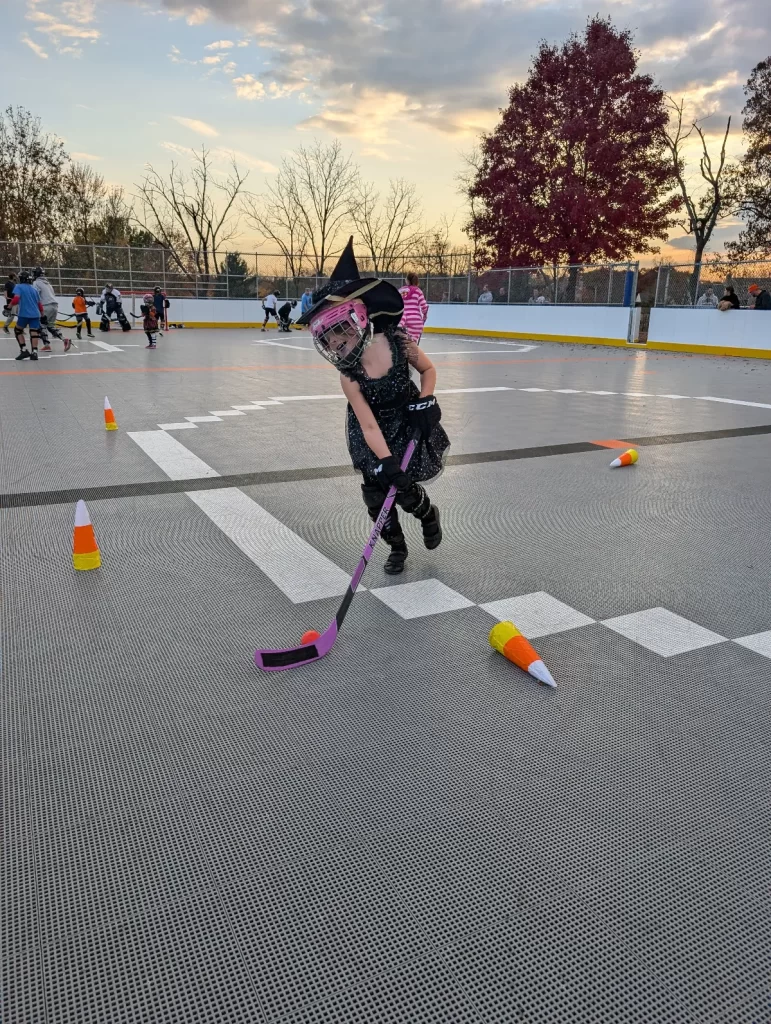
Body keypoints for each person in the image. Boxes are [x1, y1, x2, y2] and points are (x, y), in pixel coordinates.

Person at [297, 237, 449, 576]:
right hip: (371, 436)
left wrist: (425, 401)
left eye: (342, 334)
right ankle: (396, 547)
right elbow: (367, 426)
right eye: (329, 341)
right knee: (376, 496)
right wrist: (385, 461)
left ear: (359, 319)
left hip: (404, 421)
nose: (337, 344)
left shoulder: (398, 342)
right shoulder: (349, 375)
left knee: (405, 489)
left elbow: (428, 370)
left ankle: (427, 514)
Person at [33, 266, 70, 352]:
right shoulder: (48, 283)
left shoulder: (36, 283)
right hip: (54, 306)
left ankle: (47, 345)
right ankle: (65, 340)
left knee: (42, 325)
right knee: (50, 326)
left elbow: (36, 295)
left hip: (46, 306)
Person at [9, 271, 44, 361]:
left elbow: (16, 299)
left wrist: (9, 307)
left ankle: (24, 350)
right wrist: (43, 315)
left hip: (24, 314)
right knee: (34, 332)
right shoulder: (34, 289)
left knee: (18, 330)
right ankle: (34, 352)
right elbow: (39, 304)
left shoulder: (18, 287)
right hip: (35, 314)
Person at [399, 272, 429, 344]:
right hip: (416, 321)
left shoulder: (400, 291)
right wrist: (425, 315)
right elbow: (424, 306)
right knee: (413, 345)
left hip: (403, 321)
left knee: (403, 345)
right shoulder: (418, 291)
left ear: (407, 280)